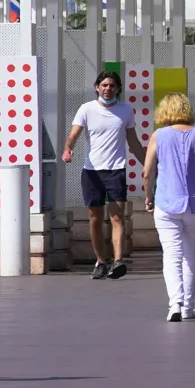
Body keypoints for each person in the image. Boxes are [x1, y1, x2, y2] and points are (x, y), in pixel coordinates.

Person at [141, 92, 195, 322]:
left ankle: (175, 304)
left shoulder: (159, 136)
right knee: (191, 255)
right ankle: (188, 306)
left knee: (171, 255)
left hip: (167, 203)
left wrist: (148, 197)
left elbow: (148, 172)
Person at [60, 70, 145, 280]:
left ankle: (118, 261)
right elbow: (73, 134)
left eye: (112, 86)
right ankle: (100, 261)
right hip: (92, 172)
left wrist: (148, 164)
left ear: (118, 89)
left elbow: (133, 140)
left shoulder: (125, 110)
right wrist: (68, 148)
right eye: (104, 85)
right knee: (95, 218)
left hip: (116, 170)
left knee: (117, 217)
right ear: (97, 87)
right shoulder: (86, 109)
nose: (108, 89)